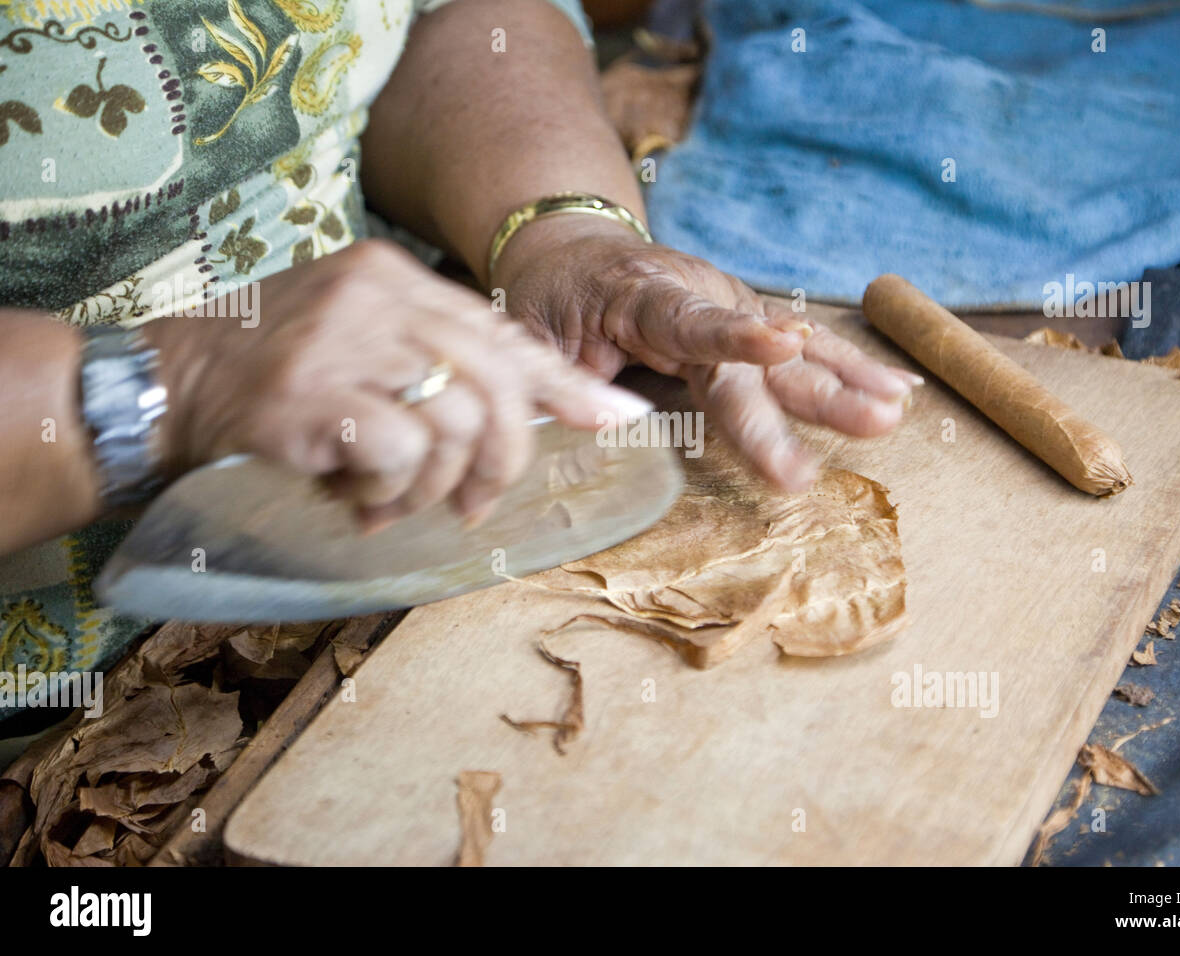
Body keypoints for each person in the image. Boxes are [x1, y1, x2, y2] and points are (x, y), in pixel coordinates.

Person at [0, 0, 916, 738]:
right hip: (65, 721)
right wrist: (145, 396)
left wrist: (562, 229)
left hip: (367, 560)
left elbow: (442, 21)